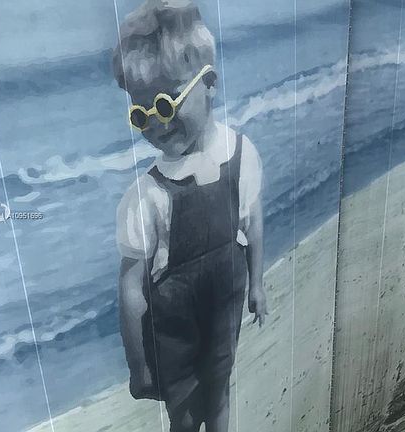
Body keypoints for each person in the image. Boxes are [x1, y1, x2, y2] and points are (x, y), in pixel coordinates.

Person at [113, 1, 267, 431]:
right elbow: (131, 288)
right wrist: (139, 367)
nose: (156, 124)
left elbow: (252, 221)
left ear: (209, 83)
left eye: (165, 104)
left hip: (224, 311)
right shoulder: (147, 196)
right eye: (141, 114)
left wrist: (257, 284)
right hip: (175, 334)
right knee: (183, 416)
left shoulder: (241, 155)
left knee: (219, 394)